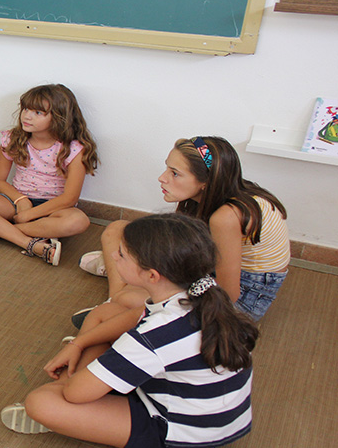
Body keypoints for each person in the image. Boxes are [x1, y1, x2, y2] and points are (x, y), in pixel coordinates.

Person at [1, 213, 259, 448]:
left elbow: (76, 394)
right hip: (213, 414)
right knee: (106, 313)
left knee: (42, 402)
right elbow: (131, 315)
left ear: (152, 276)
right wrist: (80, 343)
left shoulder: (153, 336)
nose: (113, 256)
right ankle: (98, 375)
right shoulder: (196, 294)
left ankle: (77, 401)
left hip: (183, 432)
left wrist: (78, 377)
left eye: (122, 255)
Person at [77, 136, 288, 322]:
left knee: (128, 296)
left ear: (206, 181)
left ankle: (118, 295)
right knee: (117, 230)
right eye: (167, 168)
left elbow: (228, 295)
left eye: (175, 173)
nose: (162, 177)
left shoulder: (226, 217)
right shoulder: (226, 189)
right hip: (214, 267)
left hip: (244, 296)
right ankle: (117, 295)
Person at [0, 84, 98, 265]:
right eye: (26, 109)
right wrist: (21, 201)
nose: (27, 116)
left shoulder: (74, 149)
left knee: (78, 221)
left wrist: (30, 214)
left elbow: (69, 198)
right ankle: (29, 242)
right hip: (15, 202)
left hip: (54, 208)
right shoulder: (13, 138)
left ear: (59, 117)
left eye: (38, 113)